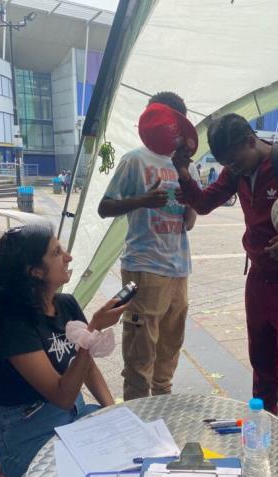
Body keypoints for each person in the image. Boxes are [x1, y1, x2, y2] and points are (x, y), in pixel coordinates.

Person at [173, 113, 278, 446]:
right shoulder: (235, 170)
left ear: (249, 140)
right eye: (227, 164)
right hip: (258, 280)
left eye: (235, 160)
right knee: (261, 361)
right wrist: (184, 173)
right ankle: (264, 433)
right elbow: (204, 203)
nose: (234, 169)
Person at [0, 225, 126, 477]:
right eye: (57, 252)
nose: (68, 257)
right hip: (30, 434)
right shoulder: (14, 325)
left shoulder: (66, 304)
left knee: (129, 458)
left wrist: (112, 411)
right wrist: (93, 330)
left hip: (74, 417)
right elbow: (62, 396)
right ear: (35, 271)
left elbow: (88, 368)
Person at [98, 91, 199, 400]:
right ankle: (137, 413)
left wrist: (189, 200)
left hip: (179, 269)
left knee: (170, 347)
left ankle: (163, 403)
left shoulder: (187, 166)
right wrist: (143, 200)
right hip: (144, 268)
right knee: (140, 352)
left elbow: (189, 222)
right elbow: (105, 207)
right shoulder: (135, 160)